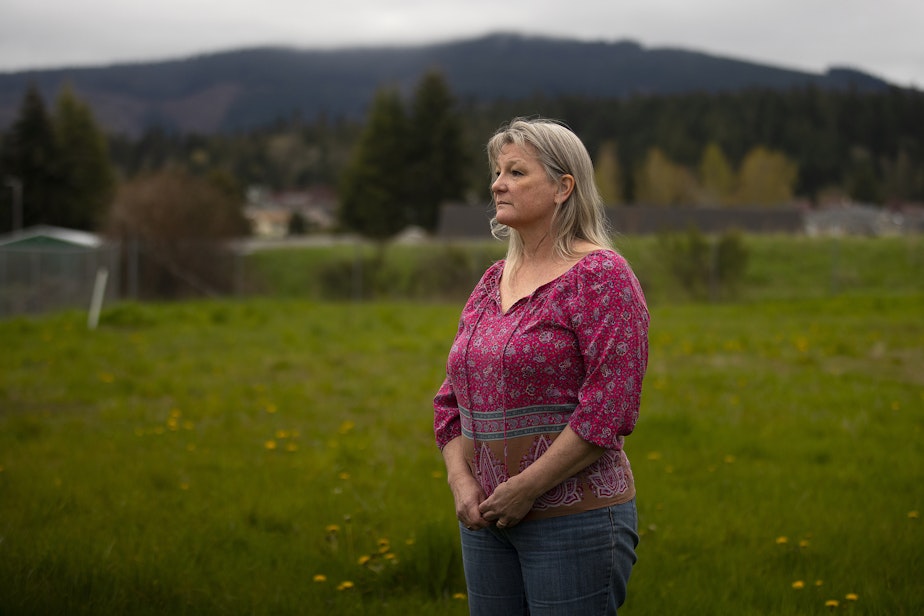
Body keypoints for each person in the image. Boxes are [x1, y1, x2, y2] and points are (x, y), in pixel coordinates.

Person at [433, 117, 650, 615]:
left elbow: (610, 407)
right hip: (486, 522)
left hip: (576, 521)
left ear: (562, 187)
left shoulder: (601, 276)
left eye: (515, 172)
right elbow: (450, 400)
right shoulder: (492, 280)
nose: (497, 184)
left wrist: (526, 488)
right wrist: (462, 482)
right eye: (496, 172)